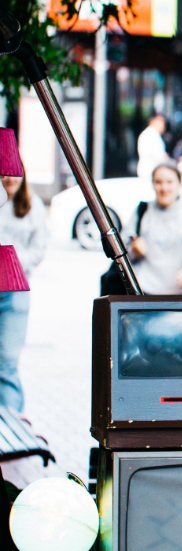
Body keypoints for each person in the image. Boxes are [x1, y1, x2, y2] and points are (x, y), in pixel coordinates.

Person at [0, 166, 48, 411]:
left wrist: (11, 262)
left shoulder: (33, 206)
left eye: (14, 172)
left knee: (7, 362)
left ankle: (11, 423)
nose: (9, 178)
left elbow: (39, 250)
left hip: (15, 290)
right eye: (4, 173)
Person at [129, 162, 182, 294]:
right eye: (158, 182)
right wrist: (133, 250)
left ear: (179, 183)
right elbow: (121, 250)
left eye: (169, 182)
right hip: (142, 293)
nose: (164, 188)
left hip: (177, 295)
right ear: (152, 184)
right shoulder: (142, 211)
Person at [136, 115, 168, 180]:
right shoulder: (150, 134)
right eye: (162, 124)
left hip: (151, 171)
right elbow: (157, 155)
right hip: (149, 171)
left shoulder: (152, 134)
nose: (164, 127)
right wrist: (166, 158)